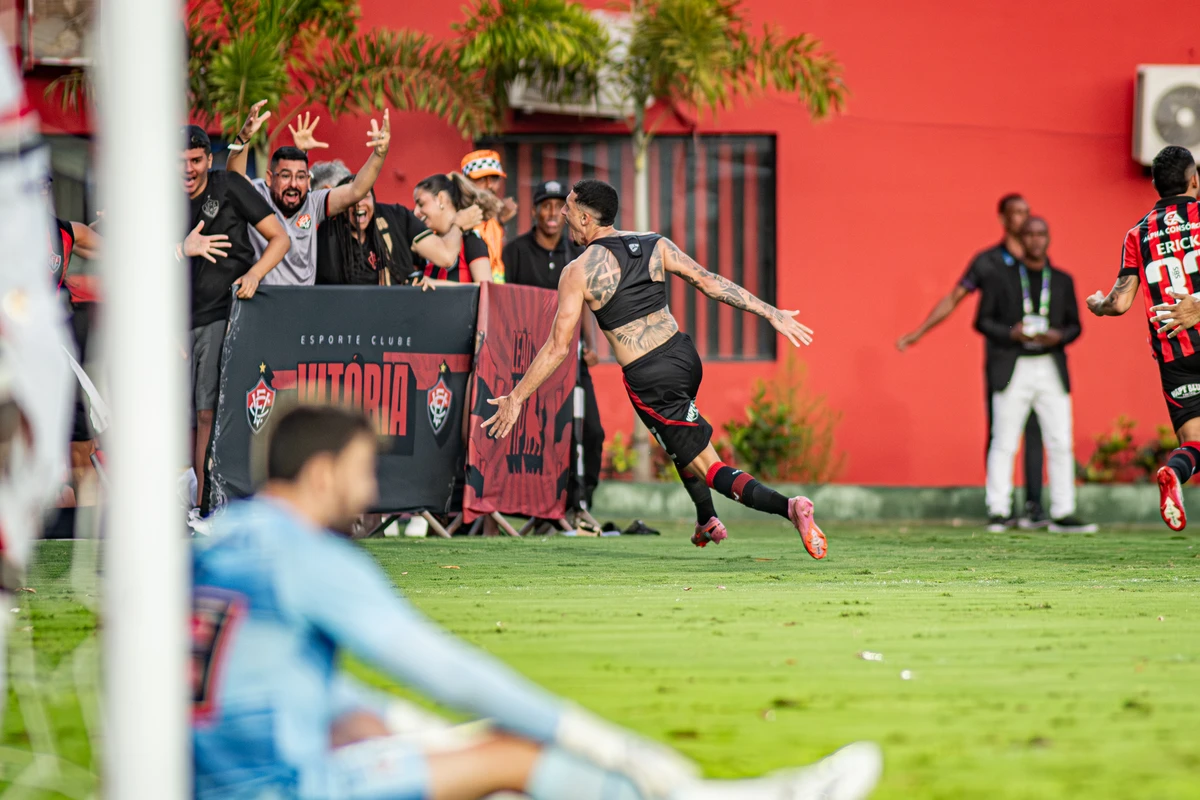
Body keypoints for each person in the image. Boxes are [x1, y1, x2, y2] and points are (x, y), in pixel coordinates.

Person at [191, 404, 883, 800]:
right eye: (360, 473)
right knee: (512, 754)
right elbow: (446, 671)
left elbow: (261, 674)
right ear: (320, 475)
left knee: (376, 728)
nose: (369, 493)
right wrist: (598, 739)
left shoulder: (219, 542)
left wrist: (395, 722)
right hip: (275, 787)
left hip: (210, 773)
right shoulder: (308, 556)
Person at [481, 179, 826, 555]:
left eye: (567, 207)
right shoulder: (654, 243)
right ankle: (706, 519)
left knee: (708, 466)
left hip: (651, 378)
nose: (562, 213)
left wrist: (516, 397)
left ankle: (789, 507)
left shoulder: (577, 271)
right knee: (679, 440)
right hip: (684, 357)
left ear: (584, 218)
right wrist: (770, 311)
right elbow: (709, 282)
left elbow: (557, 348)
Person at [897, 194, 1049, 528]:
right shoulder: (988, 262)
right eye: (1016, 213)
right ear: (1003, 219)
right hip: (1003, 359)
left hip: (1040, 360)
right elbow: (954, 297)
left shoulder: (1039, 261)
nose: (1023, 218)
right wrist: (919, 332)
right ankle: (1000, 508)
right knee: (1000, 432)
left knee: (1036, 430)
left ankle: (1035, 507)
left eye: (1026, 212)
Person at [179, 125, 289, 523]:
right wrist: (181, 249)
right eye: (180, 162)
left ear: (209, 160)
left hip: (220, 317)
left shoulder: (228, 186)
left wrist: (255, 274)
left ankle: (203, 506)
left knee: (207, 414)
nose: (188, 169)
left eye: (196, 160)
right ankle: (178, 505)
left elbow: (280, 238)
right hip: (169, 324)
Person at [1087, 145, 1200, 531]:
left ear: (1154, 185)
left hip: (1175, 355)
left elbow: (1119, 303)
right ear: (1194, 180)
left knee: (1194, 442)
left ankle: (1174, 472)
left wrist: (1098, 305)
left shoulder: (1138, 233)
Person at [974, 217, 1094, 533]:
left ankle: (1063, 511)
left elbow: (1075, 325)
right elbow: (982, 320)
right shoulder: (1000, 278)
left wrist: (1059, 336)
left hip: (1050, 365)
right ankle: (998, 510)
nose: (1035, 240)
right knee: (1004, 440)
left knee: (1060, 440)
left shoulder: (1062, 280)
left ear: (1049, 238)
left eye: (1041, 234)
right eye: (1029, 234)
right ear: (1020, 239)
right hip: (1013, 365)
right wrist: (1012, 332)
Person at [504, 179, 605, 508]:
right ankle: (533, 503)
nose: (551, 212)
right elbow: (504, 304)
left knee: (591, 431)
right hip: (529, 359)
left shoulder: (576, 251)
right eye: (544, 205)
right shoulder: (514, 252)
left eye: (556, 206)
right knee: (539, 432)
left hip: (571, 357)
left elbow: (584, 303)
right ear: (534, 211)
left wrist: (589, 345)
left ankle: (582, 503)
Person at [225, 102, 392, 286]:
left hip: (303, 297)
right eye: (285, 176)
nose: (294, 184)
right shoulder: (258, 194)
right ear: (270, 178)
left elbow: (356, 191)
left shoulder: (313, 202)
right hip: (261, 295)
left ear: (308, 179)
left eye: (300, 177)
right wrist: (244, 137)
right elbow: (234, 181)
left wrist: (379, 154)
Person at [319, 176, 482, 286]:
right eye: (352, 197)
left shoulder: (470, 240)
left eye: (421, 204)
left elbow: (447, 259)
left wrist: (458, 225)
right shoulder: (327, 233)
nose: (358, 202)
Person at [413, 173, 501, 285]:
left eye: (421, 204)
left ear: (441, 198)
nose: (416, 213)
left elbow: (485, 287)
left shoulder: (471, 241)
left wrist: (439, 285)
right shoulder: (427, 243)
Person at [461, 149, 517, 283]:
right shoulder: (458, 217)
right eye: (481, 179)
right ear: (465, 183)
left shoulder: (494, 220)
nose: (489, 185)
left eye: (494, 178)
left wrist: (499, 222)